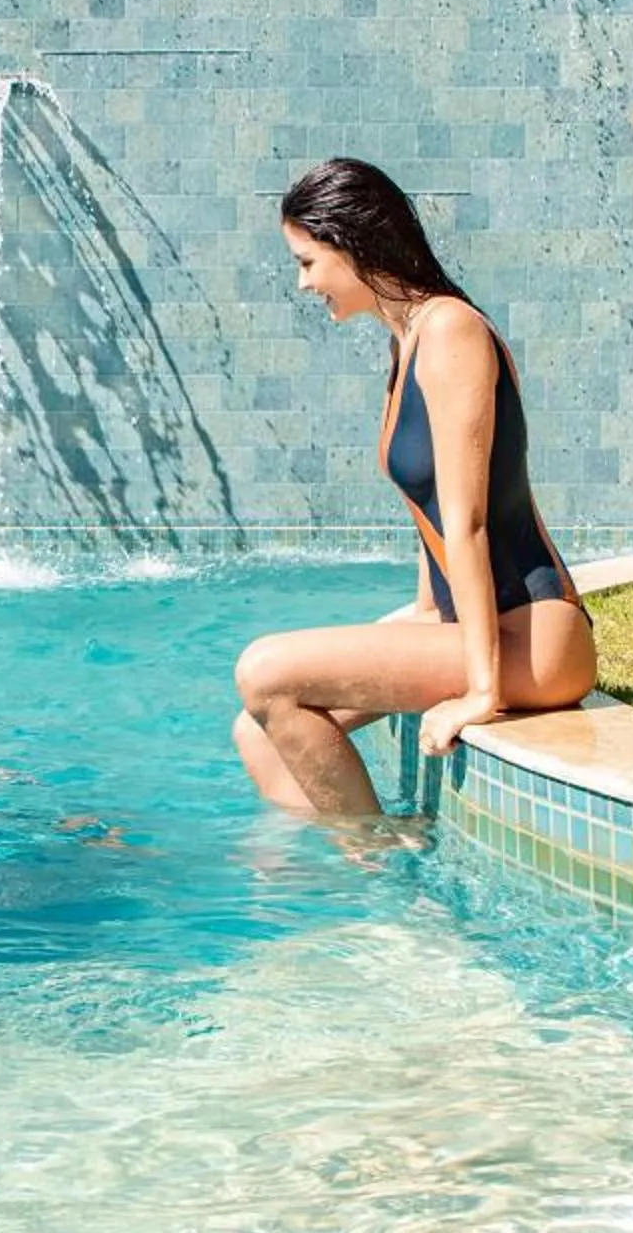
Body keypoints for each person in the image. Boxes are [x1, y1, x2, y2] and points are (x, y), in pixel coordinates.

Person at [231, 158, 597, 814]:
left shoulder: (451, 330)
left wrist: (481, 692)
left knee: (264, 672)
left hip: (536, 637)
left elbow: (469, 522)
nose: (303, 282)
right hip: (475, 628)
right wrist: (422, 618)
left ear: (353, 243)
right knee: (256, 729)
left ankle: (380, 881)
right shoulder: (407, 344)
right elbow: (429, 515)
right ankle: (368, 873)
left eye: (308, 261)